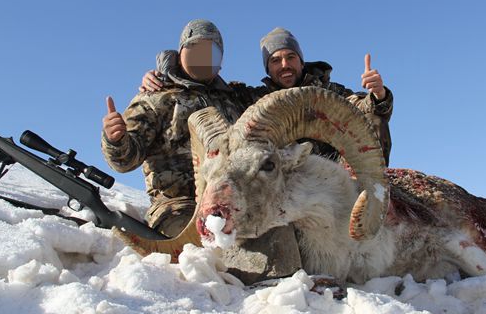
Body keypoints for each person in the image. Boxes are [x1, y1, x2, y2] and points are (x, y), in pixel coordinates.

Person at [142, 27, 393, 164]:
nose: (284, 65)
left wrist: (378, 95)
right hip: (285, 177)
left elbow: (361, 108)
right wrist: (167, 73)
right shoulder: (251, 98)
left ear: (301, 61)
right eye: (275, 60)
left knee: (374, 121)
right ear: (268, 67)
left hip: (331, 173)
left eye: (290, 57)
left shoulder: (328, 92)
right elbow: (205, 86)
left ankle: (370, 194)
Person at [102, 19, 247, 238]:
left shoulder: (235, 99)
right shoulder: (154, 97)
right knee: (204, 249)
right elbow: (124, 161)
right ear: (180, 53)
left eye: (211, 52)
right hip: (179, 206)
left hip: (234, 198)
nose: (203, 58)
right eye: (195, 49)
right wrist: (116, 140)